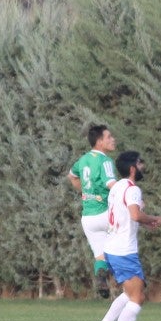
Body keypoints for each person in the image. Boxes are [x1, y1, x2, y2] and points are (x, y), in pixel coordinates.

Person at [90, 150, 161, 321]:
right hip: (123, 250)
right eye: (140, 163)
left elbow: (126, 214)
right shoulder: (132, 188)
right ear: (132, 168)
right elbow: (134, 215)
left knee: (131, 292)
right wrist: (153, 219)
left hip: (112, 247)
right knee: (138, 297)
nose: (143, 166)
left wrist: (145, 221)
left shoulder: (117, 187)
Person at [67, 125, 117, 298]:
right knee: (125, 246)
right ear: (99, 141)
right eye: (109, 137)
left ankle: (102, 278)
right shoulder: (105, 161)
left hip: (88, 218)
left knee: (101, 257)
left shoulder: (83, 160)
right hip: (105, 213)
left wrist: (85, 193)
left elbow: (72, 176)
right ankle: (131, 279)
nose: (113, 139)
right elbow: (112, 185)